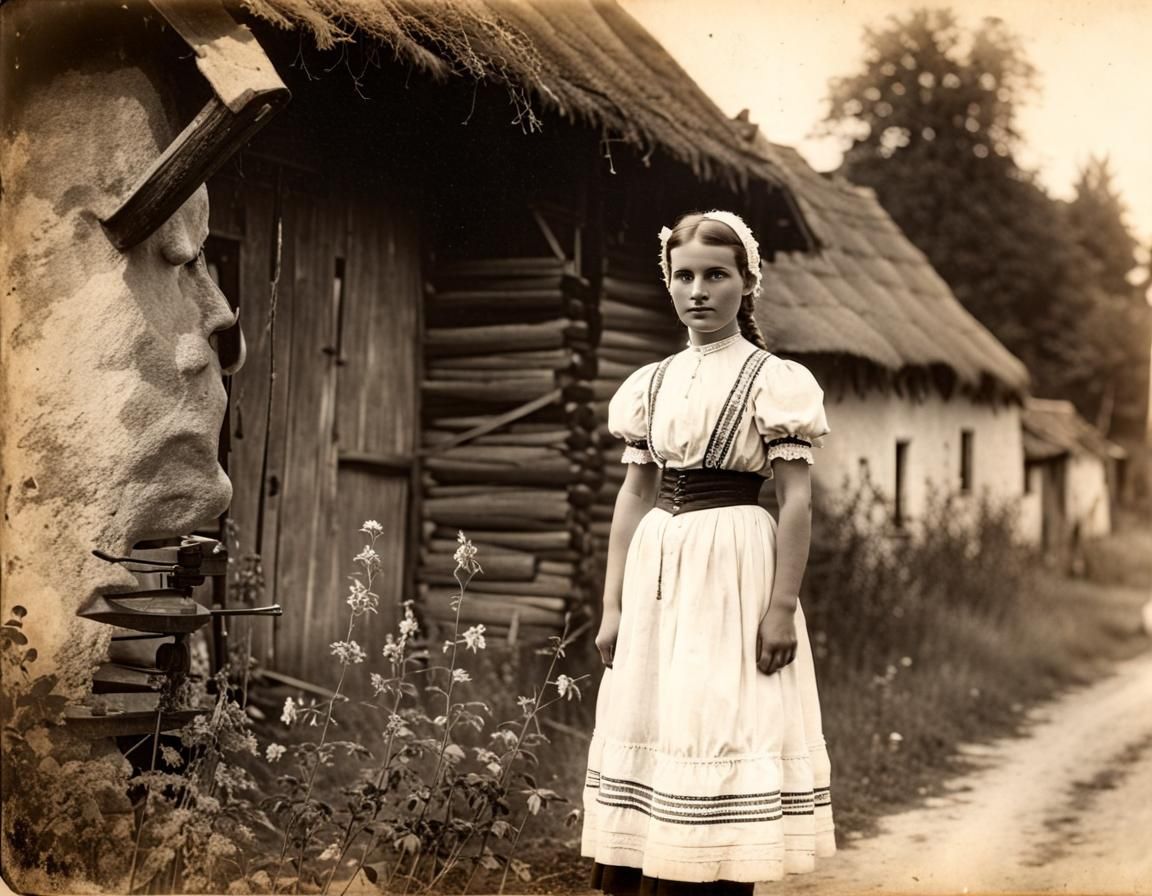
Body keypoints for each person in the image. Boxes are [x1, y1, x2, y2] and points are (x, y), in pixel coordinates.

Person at [581, 211, 835, 894]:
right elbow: (634, 495)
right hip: (658, 569)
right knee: (656, 716)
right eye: (684, 276)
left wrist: (781, 607)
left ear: (746, 283)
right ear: (668, 282)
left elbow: (796, 500)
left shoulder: (773, 380)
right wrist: (613, 606)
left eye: (716, 275)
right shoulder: (652, 382)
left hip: (733, 567)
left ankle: (706, 875)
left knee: (716, 716)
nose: (698, 291)